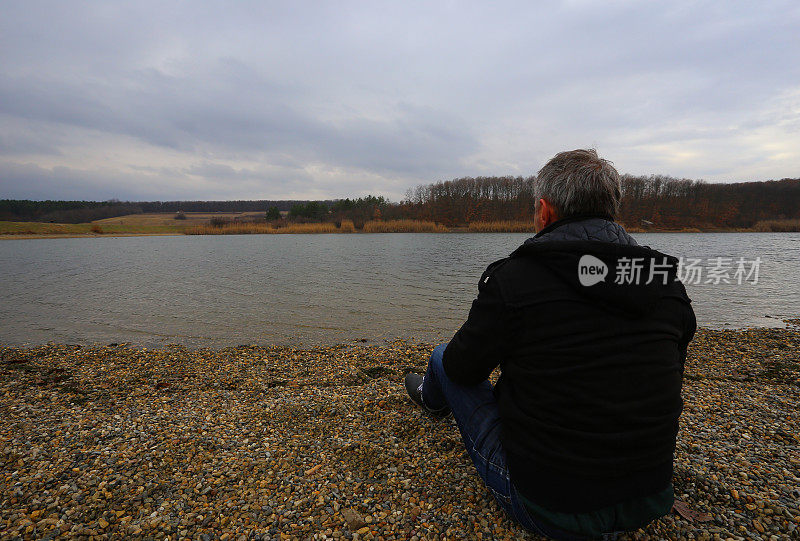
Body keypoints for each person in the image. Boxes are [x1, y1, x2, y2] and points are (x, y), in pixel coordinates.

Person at [404, 149, 696, 540]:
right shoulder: (666, 282)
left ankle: (430, 399)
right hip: (647, 499)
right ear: (612, 210)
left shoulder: (515, 278)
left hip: (549, 508)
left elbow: (463, 369)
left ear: (545, 212)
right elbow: (671, 371)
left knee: (443, 357)